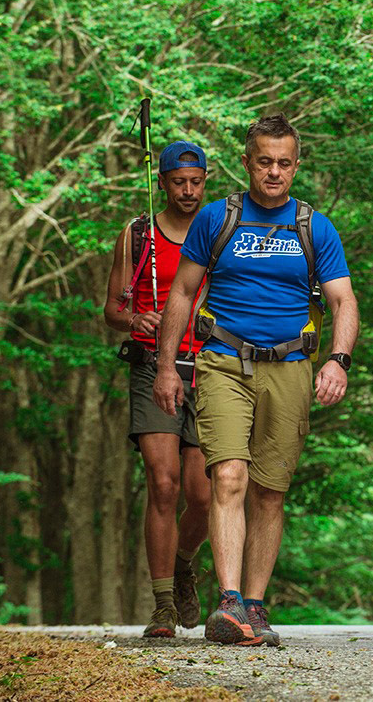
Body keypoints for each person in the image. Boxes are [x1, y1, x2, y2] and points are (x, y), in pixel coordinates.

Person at [153, 113, 359, 647]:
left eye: (284, 163)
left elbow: (342, 300)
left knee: (270, 492)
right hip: (222, 360)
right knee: (228, 477)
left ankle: (257, 605)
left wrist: (338, 359)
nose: (274, 172)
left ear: (295, 166)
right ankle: (228, 602)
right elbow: (181, 294)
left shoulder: (315, 226)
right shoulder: (217, 219)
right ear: (246, 163)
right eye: (264, 161)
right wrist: (167, 367)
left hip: (290, 366)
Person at [103, 141, 211, 639]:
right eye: (178, 181)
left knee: (203, 495)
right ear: (162, 182)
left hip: (211, 368)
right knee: (163, 483)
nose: (188, 191)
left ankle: (185, 563)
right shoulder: (137, 233)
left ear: (205, 181)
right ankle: (163, 603)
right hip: (152, 366)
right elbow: (112, 311)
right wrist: (135, 318)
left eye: (196, 181)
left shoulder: (219, 228)